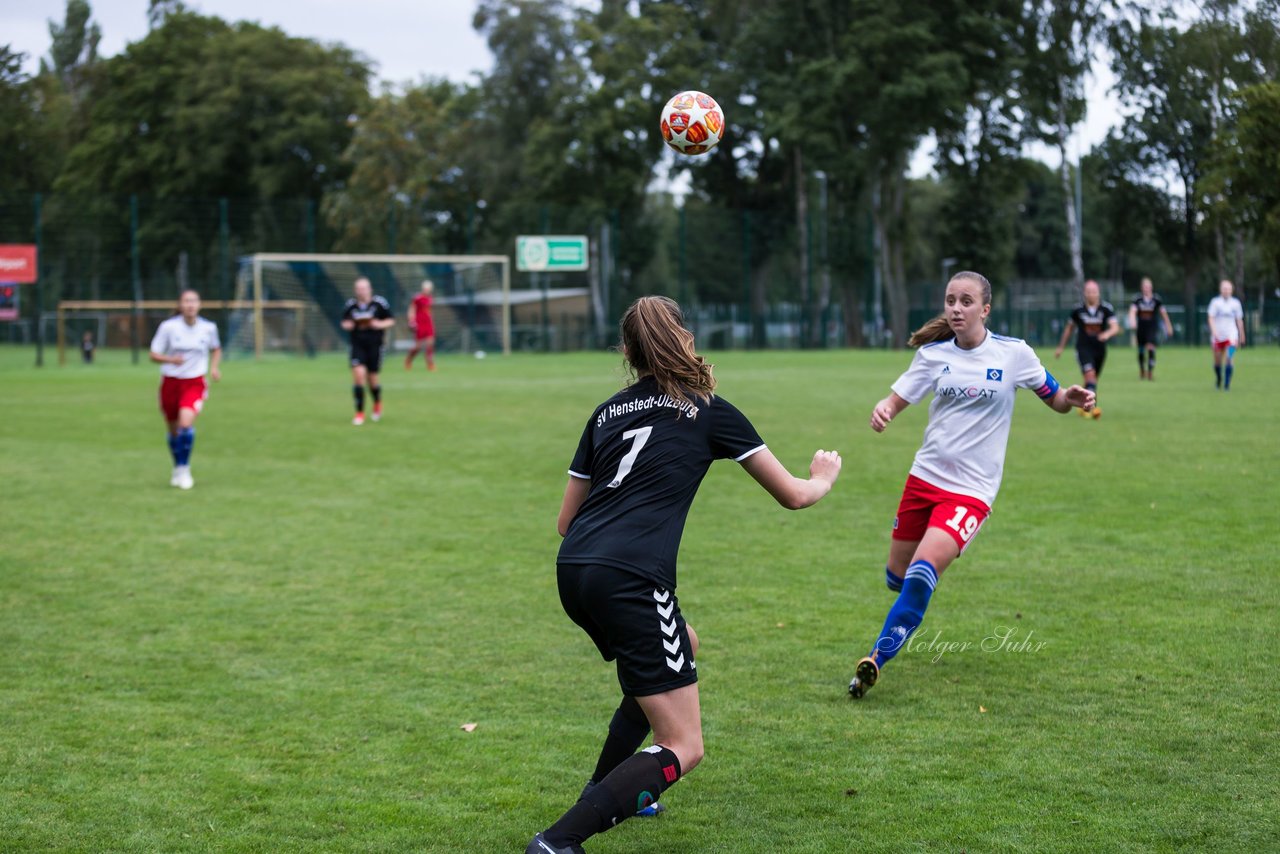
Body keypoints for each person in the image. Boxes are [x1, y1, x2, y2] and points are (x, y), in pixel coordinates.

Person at [527, 296, 843, 854]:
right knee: (684, 744)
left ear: (627, 352)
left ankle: (605, 786)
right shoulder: (709, 409)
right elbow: (794, 496)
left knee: (683, 644)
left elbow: (563, 521)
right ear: (684, 340)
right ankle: (559, 841)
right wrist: (823, 475)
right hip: (630, 577)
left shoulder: (604, 412)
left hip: (574, 569)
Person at [848, 272, 1094, 700]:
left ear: (985, 310)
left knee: (923, 573)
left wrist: (1069, 399)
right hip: (923, 481)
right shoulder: (933, 356)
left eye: (966, 301)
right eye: (950, 300)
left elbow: (1052, 396)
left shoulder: (1013, 354)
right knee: (897, 577)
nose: (956, 308)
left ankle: (875, 660)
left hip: (971, 492)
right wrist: (883, 410)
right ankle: (901, 605)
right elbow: (896, 399)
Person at [149, 289, 222, 490]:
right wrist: (171, 359)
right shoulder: (168, 327)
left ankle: (184, 468)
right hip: (171, 382)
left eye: (194, 301)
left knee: (185, 424)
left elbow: (216, 348)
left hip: (195, 382)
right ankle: (177, 467)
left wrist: (214, 368)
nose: (190, 305)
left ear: (199, 305)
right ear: (180, 305)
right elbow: (153, 354)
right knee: (173, 431)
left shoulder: (208, 328)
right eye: (186, 301)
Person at [1054, 279, 1119, 419]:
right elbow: (1068, 329)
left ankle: (1082, 404)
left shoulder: (1106, 308)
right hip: (1083, 349)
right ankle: (1092, 409)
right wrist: (1060, 347)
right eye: (1088, 291)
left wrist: (1106, 334)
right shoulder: (1078, 310)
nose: (1091, 294)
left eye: (1094, 291)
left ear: (1098, 293)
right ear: (1084, 293)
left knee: (1092, 379)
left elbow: (1115, 327)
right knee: (1090, 376)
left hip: (1100, 351)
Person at [340, 277, 394, 425]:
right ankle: (359, 413)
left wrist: (379, 324)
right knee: (358, 376)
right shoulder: (351, 305)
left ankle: (377, 403)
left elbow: (391, 320)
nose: (361, 291)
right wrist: (349, 325)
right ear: (355, 290)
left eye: (364, 288)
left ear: (369, 289)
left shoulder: (379, 304)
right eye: (358, 289)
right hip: (357, 345)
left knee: (372, 379)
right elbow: (344, 322)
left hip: (375, 345)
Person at [1127, 277, 1174, 380]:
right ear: (1142, 288)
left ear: (1151, 288)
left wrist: (1169, 326)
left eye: (1148, 287)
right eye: (1144, 287)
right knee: (1141, 351)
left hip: (1152, 328)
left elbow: (1163, 314)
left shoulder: (1156, 299)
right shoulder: (1137, 299)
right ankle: (1142, 370)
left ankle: (1150, 372)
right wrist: (1132, 320)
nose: (1146, 289)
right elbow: (1132, 311)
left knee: (1151, 347)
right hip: (1141, 328)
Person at [1207, 279, 1245, 390]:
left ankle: (1227, 384)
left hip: (1231, 335)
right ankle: (1219, 378)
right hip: (1218, 335)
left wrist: (1241, 334)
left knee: (1229, 357)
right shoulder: (1215, 302)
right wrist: (1214, 332)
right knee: (1217, 360)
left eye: (1228, 288)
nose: (1226, 291)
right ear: (1220, 289)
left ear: (1231, 290)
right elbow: (1210, 318)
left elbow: (1239, 320)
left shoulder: (1236, 303)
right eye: (1224, 288)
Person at [405, 279, 436, 371]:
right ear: (422, 288)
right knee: (418, 347)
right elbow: (411, 309)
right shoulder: (417, 298)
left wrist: (431, 321)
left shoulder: (430, 298)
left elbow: (429, 311)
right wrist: (411, 321)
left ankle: (430, 364)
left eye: (428, 289)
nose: (427, 290)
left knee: (430, 344)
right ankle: (409, 360)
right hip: (419, 323)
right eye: (425, 288)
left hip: (428, 323)